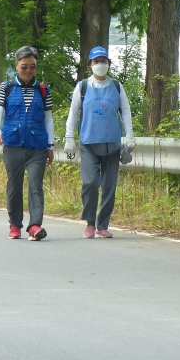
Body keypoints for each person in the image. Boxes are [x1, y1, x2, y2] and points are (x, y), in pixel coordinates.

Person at [63, 46, 134, 239]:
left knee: (109, 185)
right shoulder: (83, 87)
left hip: (112, 143)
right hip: (89, 143)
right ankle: (89, 222)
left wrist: (130, 137)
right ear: (89, 65)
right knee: (91, 182)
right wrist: (69, 138)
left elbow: (125, 112)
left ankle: (103, 225)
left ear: (109, 64)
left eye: (103, 61)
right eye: (96, 62)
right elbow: (73, 113)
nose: (100, 65)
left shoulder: (117, 87)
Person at [0, 46, 54, 241]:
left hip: (37, 146)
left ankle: (35, 226)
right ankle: (15, 225)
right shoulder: (6, 87)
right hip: (13, 144)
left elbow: (48, 119)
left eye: (32, 67)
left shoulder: (43, 90)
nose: (28, 71)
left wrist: (50, 146)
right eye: (24, 66)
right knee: (14, 184)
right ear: (16, 65)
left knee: (36, 184)